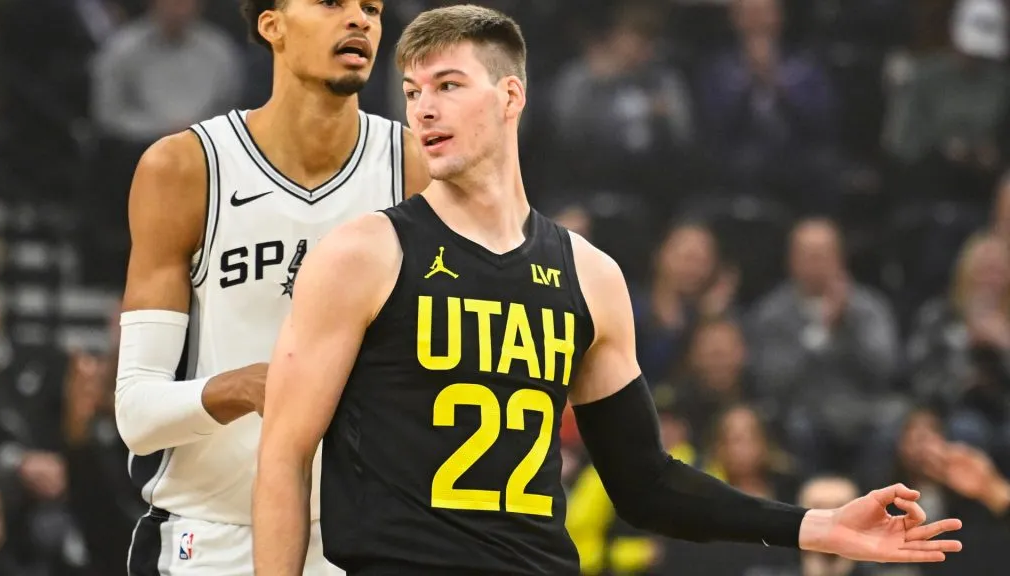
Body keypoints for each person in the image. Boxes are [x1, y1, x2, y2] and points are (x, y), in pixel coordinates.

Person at [252, 5, 963, 575]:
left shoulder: (588, 274)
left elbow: (645, 484)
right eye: (411, 92)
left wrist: (814, 526)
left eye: (447, 85)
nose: (424, 109)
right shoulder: (364, 251)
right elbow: (284, 453)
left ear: (509, 96)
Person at [114, 0, 429, 574]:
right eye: (332, 3)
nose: (359, 20)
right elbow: (136, 413)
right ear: (271, 25)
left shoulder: (415, 168)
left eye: (372, 8)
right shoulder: (186, 168)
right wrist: (255, 386)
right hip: (208, 538)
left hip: (360, 539)